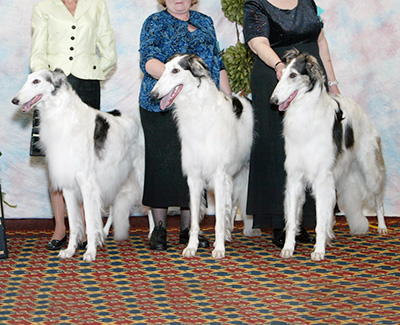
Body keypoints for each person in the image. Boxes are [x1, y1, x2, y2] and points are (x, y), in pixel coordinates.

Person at [243, 0, 340, 248]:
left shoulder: (308, 1)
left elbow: (321, 42)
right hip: (275, 77)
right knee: (278, 151)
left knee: (317, 151)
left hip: (310, 83)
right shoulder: (256, 4)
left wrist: (332, 82)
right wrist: (279, 66)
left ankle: (306, 221)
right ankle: (282, 222)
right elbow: (257, 42)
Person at [139, 0, 231, 250]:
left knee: (197, 165)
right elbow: (147, 62)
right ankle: (159, 230)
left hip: (202, 108)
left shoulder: (205, 22)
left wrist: (228, 99)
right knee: (162, 166)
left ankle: (190, 228)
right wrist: (175, 81)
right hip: (160, 103)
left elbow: (216, 63)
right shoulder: (154, 23)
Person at [30, 0, 117, 250]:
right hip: (53, 92)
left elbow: (108, 49)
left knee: (86, 162)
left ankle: (88, 228)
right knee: (57, 162)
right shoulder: (42, 7)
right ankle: (60, 227)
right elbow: (37, 54)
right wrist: (45, 84)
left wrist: (93, 70)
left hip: (86, 86)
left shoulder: (97, 5)